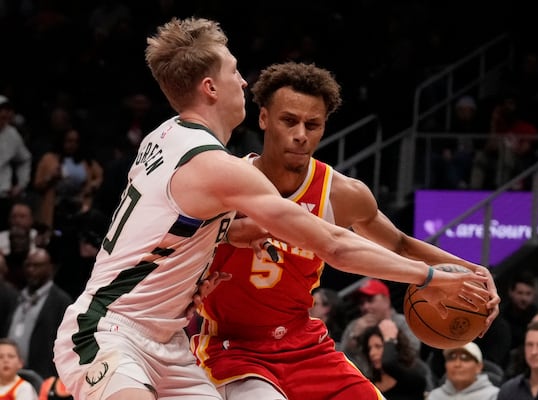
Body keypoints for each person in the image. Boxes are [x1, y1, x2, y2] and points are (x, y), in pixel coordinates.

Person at [53, 18, 494, 400]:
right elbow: (335, 245)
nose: (243, 81)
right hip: (115, 330)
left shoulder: (163, 136)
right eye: (234, 71)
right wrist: (432, 277)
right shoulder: (222, 169)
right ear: (211, 87)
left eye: (313, 124)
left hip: (173, 342)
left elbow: (163, 223)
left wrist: (221, 234)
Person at [189, 61, 499, 400]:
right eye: (289, 121)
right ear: (264, 118)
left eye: (313, 124)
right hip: (235, 346)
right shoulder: (225, 180)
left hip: (303, 342)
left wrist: (473, 271)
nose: (301, 135)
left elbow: (399, 244)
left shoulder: (341, 193)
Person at [4, 248, 72, 378]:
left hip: (42, 376)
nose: (31, 270)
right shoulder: (17, 298)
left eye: (37, 266)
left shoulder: (61, 301)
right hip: (11, 375)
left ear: (50, 268)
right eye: (28, 265)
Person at [340, 278, 421, 374]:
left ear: (386, 300)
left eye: (370, 300)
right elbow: (344, 361)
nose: (365, 307)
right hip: (371, 382)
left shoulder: (402, 322)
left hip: (406, 376)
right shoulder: (354, 326)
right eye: (361, 303)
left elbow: (413, 352)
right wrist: (354, 337)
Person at [360, 319, 431, 400]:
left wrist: (389, 339)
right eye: (369, 349)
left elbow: (388, 363)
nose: (372, 353)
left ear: (393, 347)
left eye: (378, 346)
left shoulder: (413, 377)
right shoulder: (370, 385)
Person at [0, 96, 32, 231]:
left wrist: (21, 184)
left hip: (2, 195)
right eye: (2, 110)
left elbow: (25, 159)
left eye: (8, 111)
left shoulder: (12, 134)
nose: (5, 114)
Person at [427, 342, 499, 400]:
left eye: (465, 358)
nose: (457, 364)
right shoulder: (434, 396)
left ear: (479, 367)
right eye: (451, 358)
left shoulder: (494, 395)